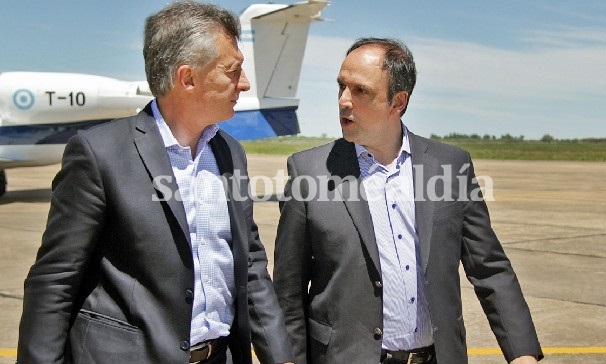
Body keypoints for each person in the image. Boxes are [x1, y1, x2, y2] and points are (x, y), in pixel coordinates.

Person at [17, 2, 294, 364]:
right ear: (187, 77)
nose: (243, 83)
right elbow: (55, 281)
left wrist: (280, 355)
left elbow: (250, 264)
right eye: (233, 70)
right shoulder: (99, 154)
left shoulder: (230, 153)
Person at [272, 37, 543, 364]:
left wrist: (522, 353)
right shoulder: (308, 172)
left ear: (398, 102)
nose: (344, 100)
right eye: (341, 87)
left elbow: (490, 268)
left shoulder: (450, 166)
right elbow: (288, 291)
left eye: (361, 91)